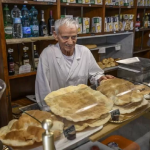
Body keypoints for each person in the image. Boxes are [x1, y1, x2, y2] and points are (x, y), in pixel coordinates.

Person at [35, 18, 114, 111]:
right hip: (59, 107)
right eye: (65, 37)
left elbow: (95, 73)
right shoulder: (47, 54)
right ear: (56, 36)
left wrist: (100, 79)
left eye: (74, 37)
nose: (70, 42)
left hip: (81, 104)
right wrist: (49, 111)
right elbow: (42, 87)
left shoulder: (84, 51)